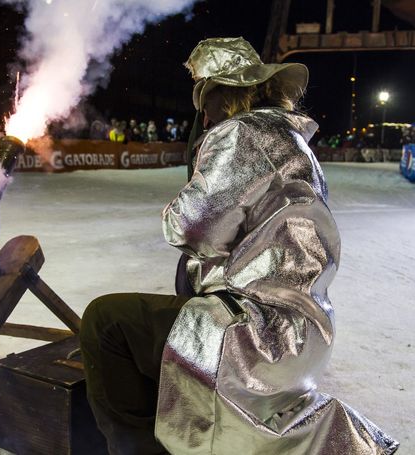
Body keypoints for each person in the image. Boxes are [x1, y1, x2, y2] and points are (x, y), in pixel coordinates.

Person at [80, 37, 397, 455]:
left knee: (106, 321)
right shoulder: (291, 140)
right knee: (176, 308)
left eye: (204, 100)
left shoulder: (239, 133)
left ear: (224, 94)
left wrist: (186, 189)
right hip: (307, 334)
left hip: (259, 332)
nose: (202, 113)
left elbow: (191, 228)